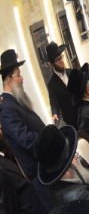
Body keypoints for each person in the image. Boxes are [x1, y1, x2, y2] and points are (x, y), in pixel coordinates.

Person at [0, 49, 46, 179]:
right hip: (39, 172)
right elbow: (26, 140)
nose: (22, 78)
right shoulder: (6, 109)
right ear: (9, 80)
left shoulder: (15, 101)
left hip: (44, 164)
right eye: (18, 75)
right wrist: (49, 137)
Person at [45, 42, 75, 126]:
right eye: (57, 60)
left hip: (83, 113)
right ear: (52, 64)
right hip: (71, 120)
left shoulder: (72, 72)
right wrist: (54, 113)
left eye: (61, 57)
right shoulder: (51, 84)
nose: (61, 61)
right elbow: (53, 102)